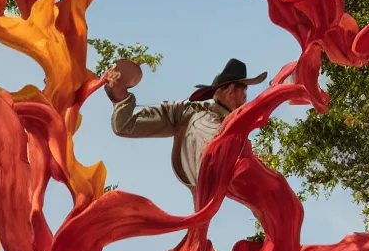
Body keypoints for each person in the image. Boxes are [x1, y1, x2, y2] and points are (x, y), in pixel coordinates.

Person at [105, 58, 267, 197]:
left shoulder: (238, 127)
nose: (246, 95)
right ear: (232, 90)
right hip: (202, 186)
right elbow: (125, 125)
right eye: (244, 88)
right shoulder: (188, 111)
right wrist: (120, 98)